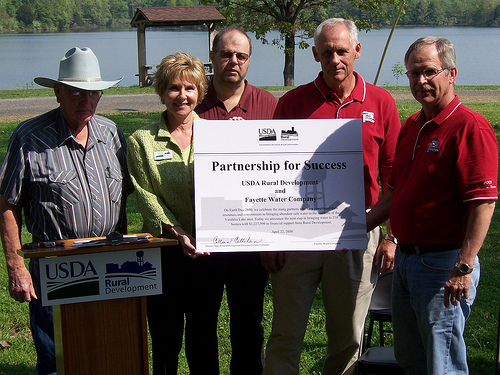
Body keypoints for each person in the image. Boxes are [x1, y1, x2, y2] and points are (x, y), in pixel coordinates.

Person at [261, 18, 401, 375]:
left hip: (358, 228)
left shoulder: (381, 103)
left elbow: (395, 180)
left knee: (349, 336)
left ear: (357, 51)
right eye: (327, 52)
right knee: (285, 332)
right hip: (297, 232)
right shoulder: (293, 102)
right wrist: (271, 237)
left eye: (342, 50)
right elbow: (270, 175)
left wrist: (392, 237)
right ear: (315, 55)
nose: (335, 59)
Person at [366, 36, 498, 374]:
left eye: (428, 72)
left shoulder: (470, 127)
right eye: (412, 74)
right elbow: (395, 196)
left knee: (442, 364)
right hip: (406, 262)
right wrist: (349, 229)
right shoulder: (412, 125)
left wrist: (464, 267)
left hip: (443, 266)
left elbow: (484, 202)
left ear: (451, 74)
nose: (420, 81)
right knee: (411, 359)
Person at [0, 47, 131, 375]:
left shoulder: (112, 134)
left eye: (93, 93)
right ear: (57, 91)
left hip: (108, 265)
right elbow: (7, 203)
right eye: (76, 92)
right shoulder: (29, 138)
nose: (86, 101)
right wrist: (16, 267)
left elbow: (125, 198)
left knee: (108, 353)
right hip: (55, 270)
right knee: (57, 359)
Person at [193, 26, 277, 374]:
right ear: (212, 57)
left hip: (250, 238)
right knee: (200, 322)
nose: (233, 61)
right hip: (203, 238)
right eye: (226, 54)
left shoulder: (268, 104)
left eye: (241, 56)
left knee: (249, 322)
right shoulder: (192, 101)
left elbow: (281, 170)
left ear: (249, 61)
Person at [127, 52, 208, 375]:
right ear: (161, 92)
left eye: (190, 88)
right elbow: (145, 196)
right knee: (165, 338)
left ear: (200, 92)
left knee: (203, 337)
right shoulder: (141, 140)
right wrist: (177, 231)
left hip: (207, 253)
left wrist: (239, 141)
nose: (182, 96)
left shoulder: (219, 136)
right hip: (163, 253)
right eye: (174, 88)